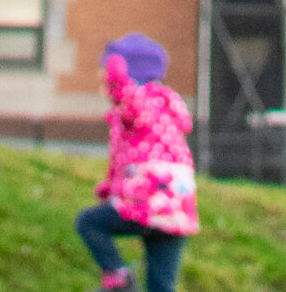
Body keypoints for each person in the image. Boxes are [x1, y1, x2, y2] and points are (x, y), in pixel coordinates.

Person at [77, 36, 198, 292]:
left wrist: (119, 81)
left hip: (150, 200)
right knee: (161, 285)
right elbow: (127, 158)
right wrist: (112, 187)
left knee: (89, 223)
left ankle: (118, 277)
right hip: (177, 209)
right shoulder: (165, 106)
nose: (103, 86)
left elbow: (133, 103)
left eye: (104, 78)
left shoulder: (141, 100)